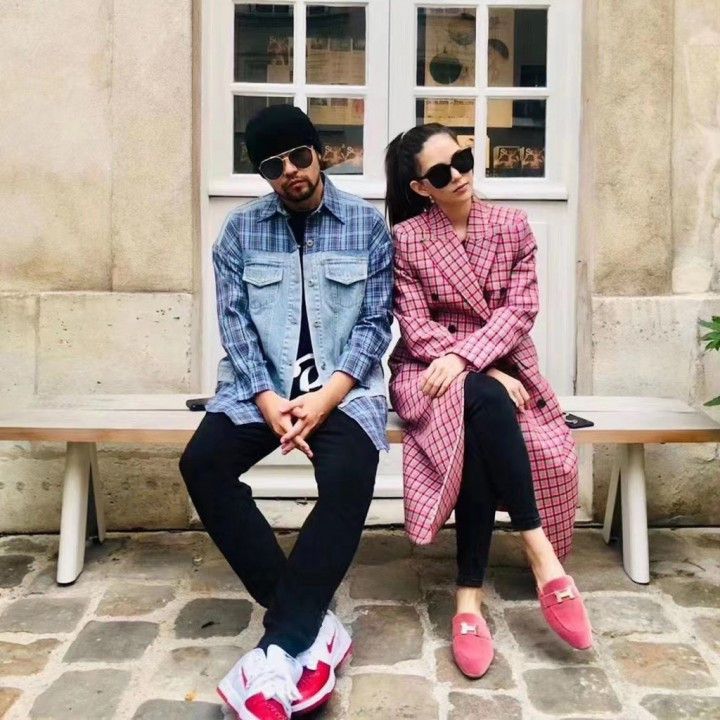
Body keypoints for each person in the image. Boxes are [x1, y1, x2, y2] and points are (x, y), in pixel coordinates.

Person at [180, 105, 393, 720]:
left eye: (300, 156)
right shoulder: (240, 232)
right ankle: (308, 623)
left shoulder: (366, 225)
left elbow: (375, 323)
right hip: (261, 390)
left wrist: (326, 398)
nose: (292, 172)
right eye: (274, 166)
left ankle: (281, 644)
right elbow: (236, 326)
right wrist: (268, 399)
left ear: (318, 153)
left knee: (350, 475)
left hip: (343, 390)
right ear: (262, 175)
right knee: (202, 465)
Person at [384, 123, 591, 679]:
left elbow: (520, 310)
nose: (458, 175)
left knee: (479, 414)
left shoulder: (512, 224)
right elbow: (415, 326)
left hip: (499, 365)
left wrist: (478, 362)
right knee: (480, 400)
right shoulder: (406, 239)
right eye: (441, 173)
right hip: (427, 371)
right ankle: (539, 552)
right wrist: (475, 366)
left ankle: (468, 598)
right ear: (420, 187)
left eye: (464, 160)